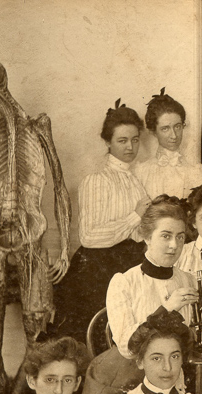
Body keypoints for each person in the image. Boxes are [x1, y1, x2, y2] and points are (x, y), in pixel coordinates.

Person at [77, 196, 198, 394]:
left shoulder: (188, 280)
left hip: (174, 374)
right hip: (128, 374)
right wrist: (167, 308)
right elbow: (127, 347)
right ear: (147, 237)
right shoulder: (124, 282)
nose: (174, 245)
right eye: (166, 236)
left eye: (180, 237)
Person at [54, 101, 149, 340]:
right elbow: (89, 236)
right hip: (98, 269)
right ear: (107, 142)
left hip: (129, 263)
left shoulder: (135, 180)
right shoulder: (97, 180)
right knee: (98, 335)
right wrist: (135, 216)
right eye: (122, 140)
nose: (130, 146)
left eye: (135, 139)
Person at [134, 88, 202, 199]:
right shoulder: (141, 172)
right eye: (165, 129)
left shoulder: (195, 172)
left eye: (177, 127)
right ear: (153, 132)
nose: (174, 135)